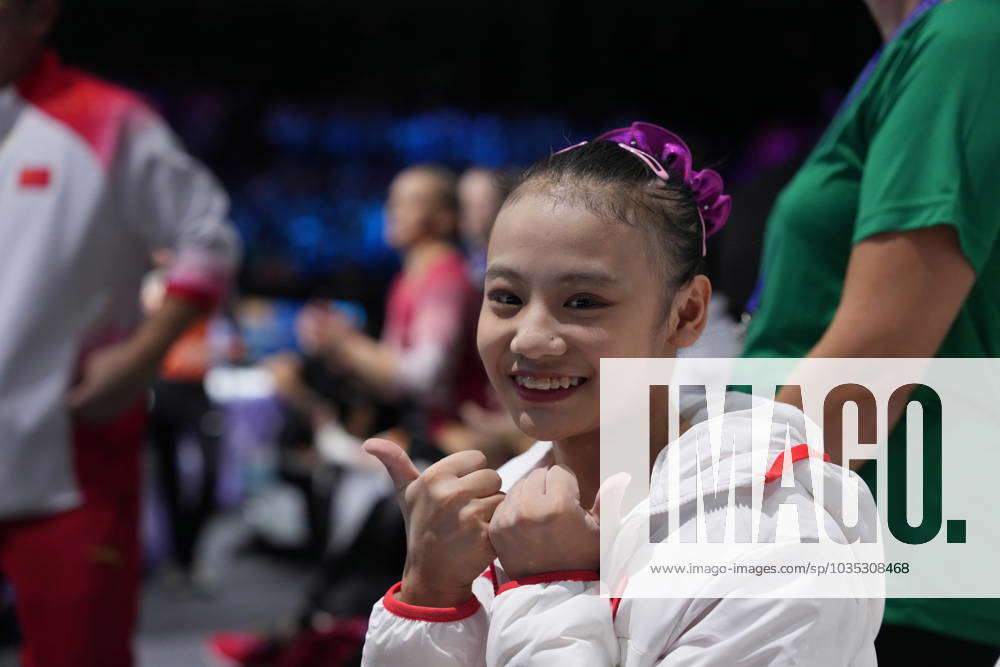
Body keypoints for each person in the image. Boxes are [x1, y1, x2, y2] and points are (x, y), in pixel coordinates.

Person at [360, 123, 882, 665]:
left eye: (583, 302)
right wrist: (428, 597)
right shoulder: (497, 505)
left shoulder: (780, 546)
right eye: (507, 297)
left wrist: (551, 584)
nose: (531, 337)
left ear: (687, 314)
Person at [741, 0, 1000, 660]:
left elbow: (872, 360)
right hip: (847, 553)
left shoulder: (967, 34)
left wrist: (671, 522)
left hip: (881, 570)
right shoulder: (939, 41)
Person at [0, 1, 240, 665]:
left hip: (70, 465)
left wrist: (138, 360)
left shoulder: (109, 121)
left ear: (38, 12)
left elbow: (207, 240)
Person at [297, 164, 488, 437]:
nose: (392, 211)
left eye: (409, 202)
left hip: (456, 433)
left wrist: (346, 341)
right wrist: (336, 346)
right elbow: (390, 375)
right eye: (392, 201)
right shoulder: (405, 280)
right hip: (424, 428)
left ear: (445, 217)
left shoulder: (446, 278)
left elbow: (424, 377)